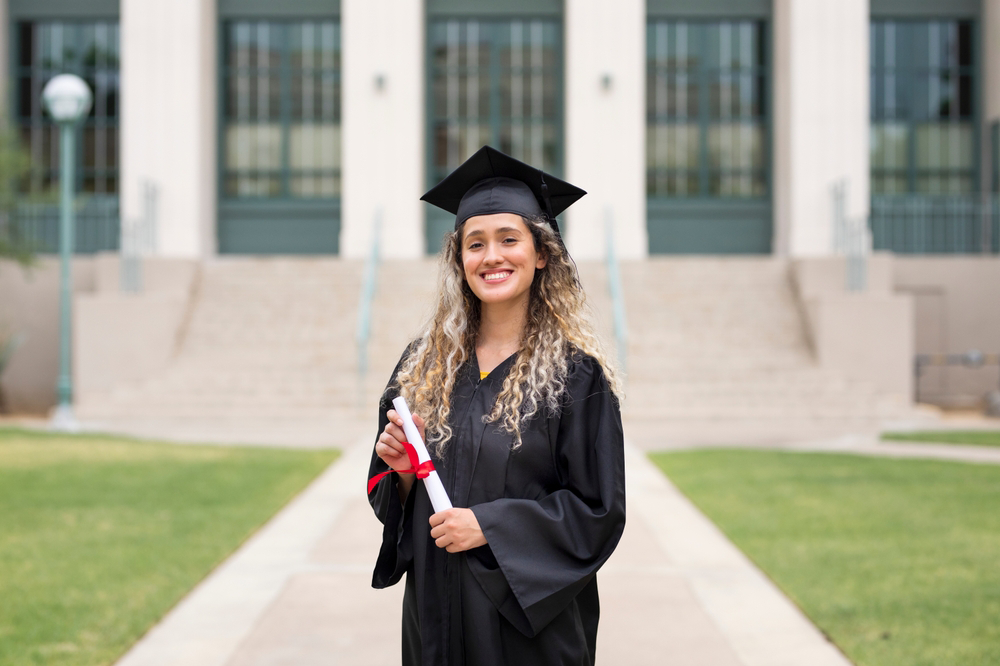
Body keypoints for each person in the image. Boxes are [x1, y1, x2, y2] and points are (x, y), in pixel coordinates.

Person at [367, 146, 626, 666]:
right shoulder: (423, 367)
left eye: (509, 239)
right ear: (459, 259)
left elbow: (598, 511)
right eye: (475, 243)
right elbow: (389, 503)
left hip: (530, 633)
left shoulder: (576, 377)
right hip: (436, 616)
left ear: (542, 252)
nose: (491, 257)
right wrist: (403, 475)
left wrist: (490, 525)